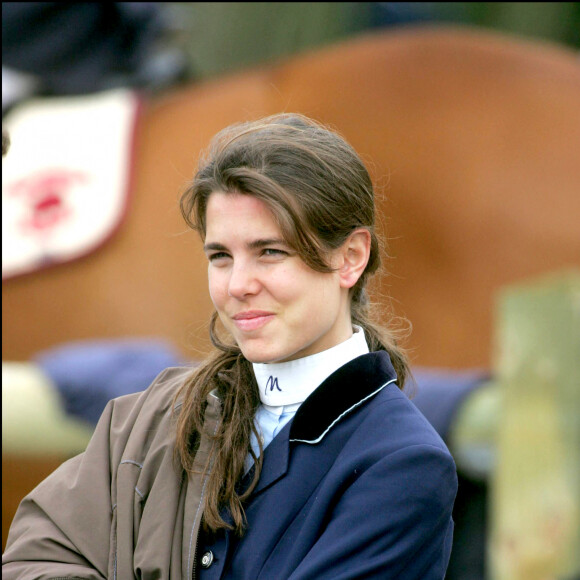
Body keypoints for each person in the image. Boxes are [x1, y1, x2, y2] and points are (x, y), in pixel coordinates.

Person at [2, 113, 457, 579]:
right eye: (220, 256)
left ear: (351, 257)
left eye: (270, 252)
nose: (237, 285)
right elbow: (37, 557)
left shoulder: (403, 465)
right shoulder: (151, 419)